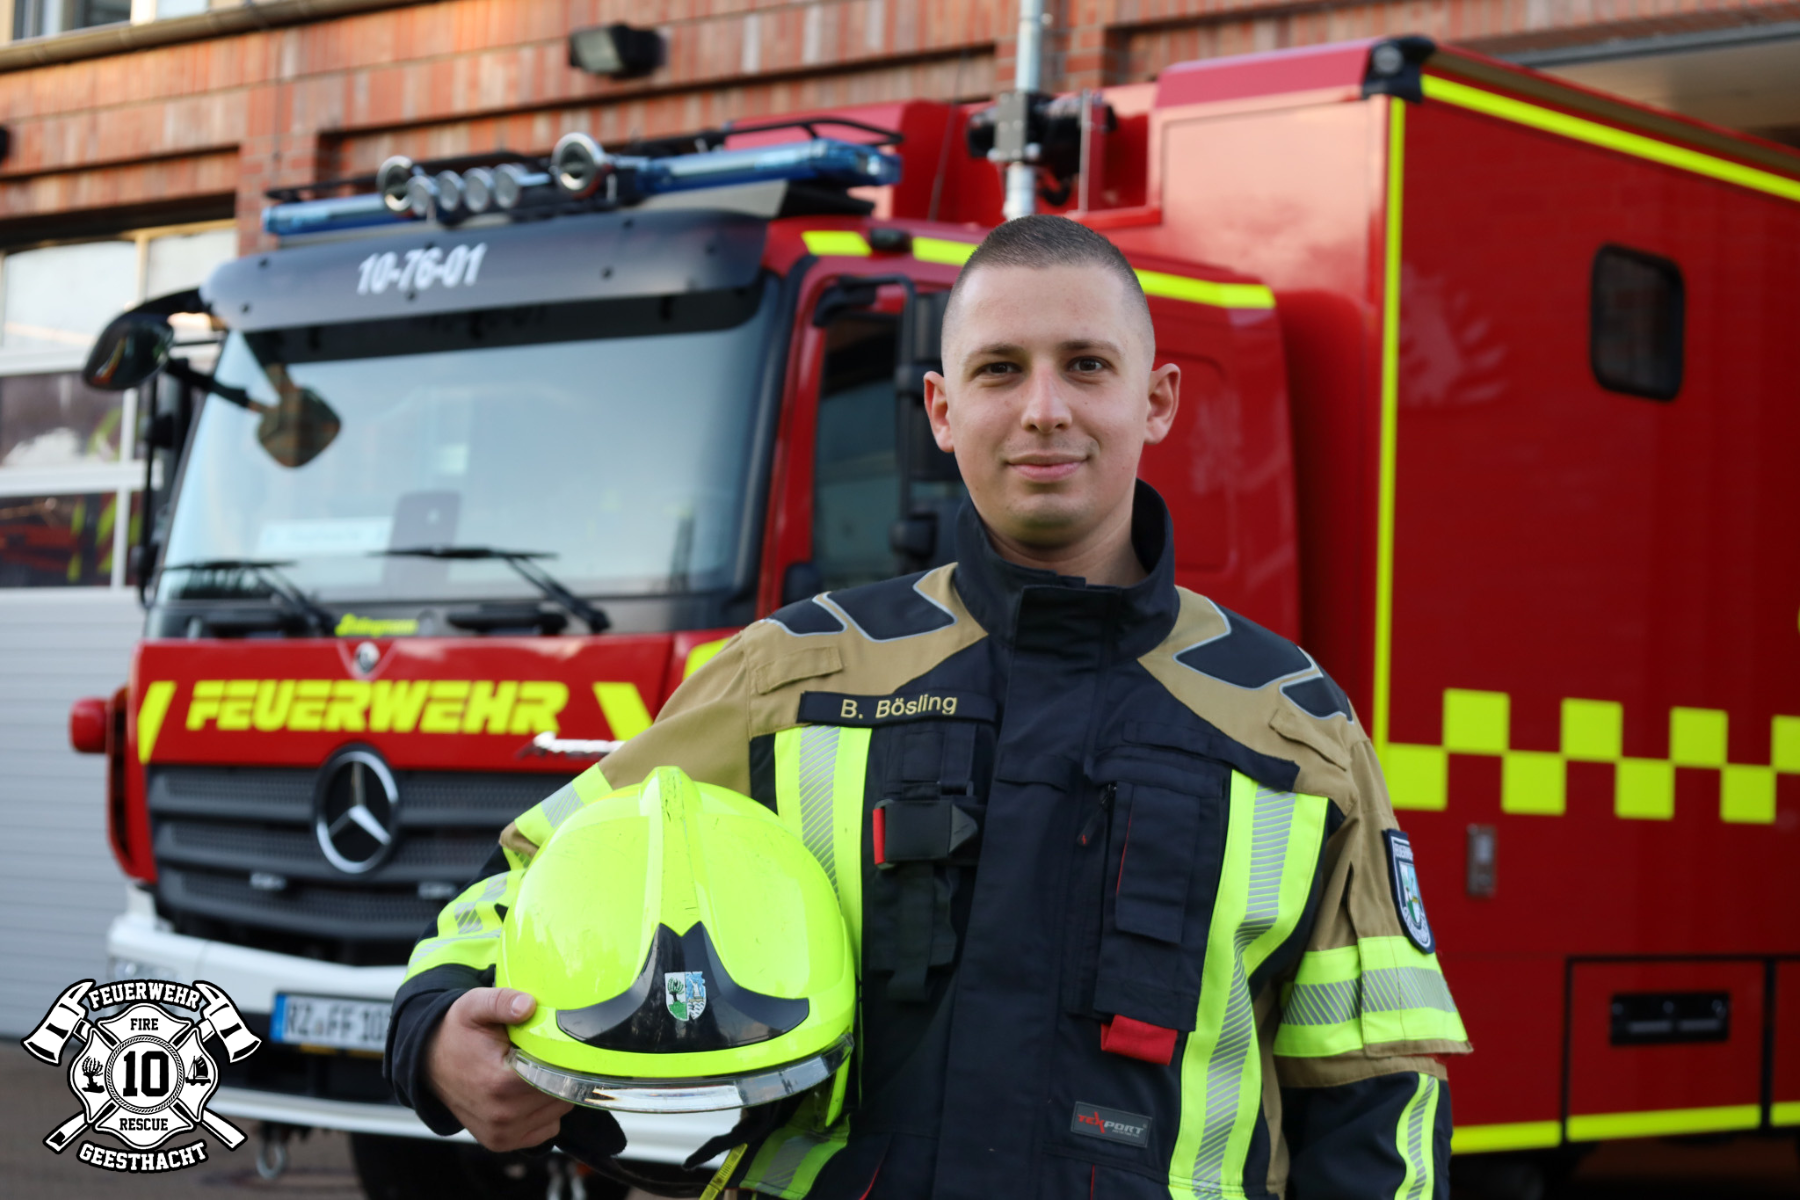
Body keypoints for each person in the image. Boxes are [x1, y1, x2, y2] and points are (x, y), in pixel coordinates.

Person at [387, 214, 1470, 1198]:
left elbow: (1373, 1097)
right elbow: (530, 883)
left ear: (1158, 400)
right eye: (1000, 370)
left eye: (1087, 365)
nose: (1044, 409)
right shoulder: (790, 678)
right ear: (943, 412)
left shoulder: (1292, 729)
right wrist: (436, 1039)